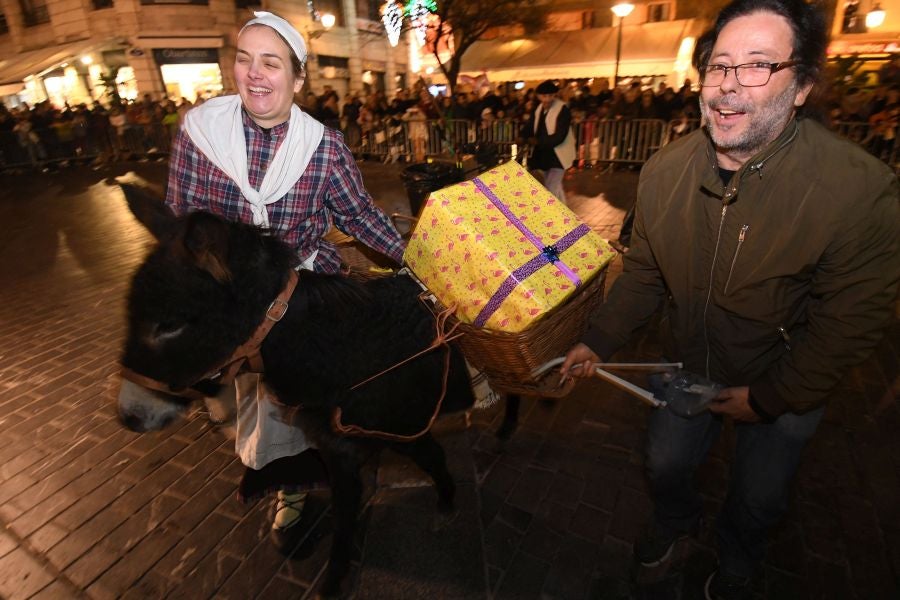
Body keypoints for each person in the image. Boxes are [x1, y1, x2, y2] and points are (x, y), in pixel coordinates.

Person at [560, 1, 899, 598]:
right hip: (690, 367)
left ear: (801, 88)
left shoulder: (858, 190)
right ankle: (674, 521)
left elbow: (852, 317)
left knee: (760, 494)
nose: (729, 85)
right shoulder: (664, 171)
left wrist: (775, 396)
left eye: (758, 65)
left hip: (785, 381)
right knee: (663, 465)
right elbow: (644, 272)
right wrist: (598, 339)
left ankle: (740, 556)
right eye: (719, 66)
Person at [118, 11, 405, 553]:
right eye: (244, 58)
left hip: (305, 294)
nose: (254, 73)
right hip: (237, 303)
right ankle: (289, 486)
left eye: (270, 62)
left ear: (297, 79)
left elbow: (361, 216)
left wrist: (418, 262)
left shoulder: (324, 148)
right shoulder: (201, 132)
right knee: (265, 411)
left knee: (319, 401)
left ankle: (327, 473)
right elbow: (182, 225)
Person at [527, 80, 575, 203]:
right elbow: (530, 126)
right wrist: (523, 136)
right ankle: (564, 215)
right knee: (554, 187)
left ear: (555, 95)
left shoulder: (562, 109)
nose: (547, 99)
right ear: (538, 96)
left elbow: (560, 135)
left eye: (550, 96)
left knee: (552, 187)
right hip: (544, 155)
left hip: (559, 155)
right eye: (544, 96)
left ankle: (555, 216)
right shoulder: (538, 110)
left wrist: (538, 142)